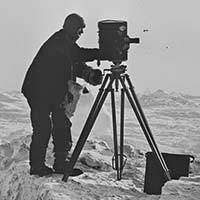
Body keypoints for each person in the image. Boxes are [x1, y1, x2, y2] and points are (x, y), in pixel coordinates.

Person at [21, 13, 102, 177]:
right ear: (72, 28)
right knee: (43, 128)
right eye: (80, 29)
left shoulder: (66, 45)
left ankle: (61, 164)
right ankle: (37, 166)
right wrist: (102, 53)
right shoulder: (59, 41)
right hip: (39, 91)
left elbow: (74, 64)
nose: (81, 33)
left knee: (62, 124)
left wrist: (89, 73)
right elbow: (77, 55)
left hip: (53, 91)